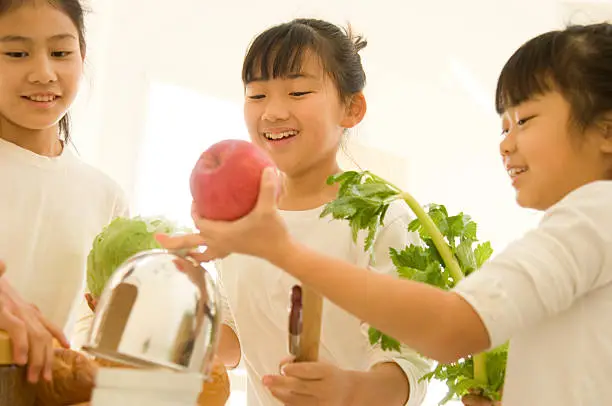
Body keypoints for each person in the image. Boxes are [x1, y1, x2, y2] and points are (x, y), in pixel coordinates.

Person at [159, 22, 612, 406]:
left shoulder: (593, 214)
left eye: (526, 120)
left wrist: (282, 252)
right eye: (257, 95)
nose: (505, 143)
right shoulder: (250, 221)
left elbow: (450, 330)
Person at [168, 19, 431, 406]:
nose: (272, 112)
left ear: (352, 108)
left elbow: (410, 369)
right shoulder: (243, 217)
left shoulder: (386, 217)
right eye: (257, 95)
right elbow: (234, 344)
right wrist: (187, 297)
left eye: (298, 92)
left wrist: (347, 389)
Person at [0, 0, 128, 383]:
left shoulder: (105, 195)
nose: (43, 73)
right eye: (17, 53)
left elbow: (93, 335)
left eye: (60, 52)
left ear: (82, 57)